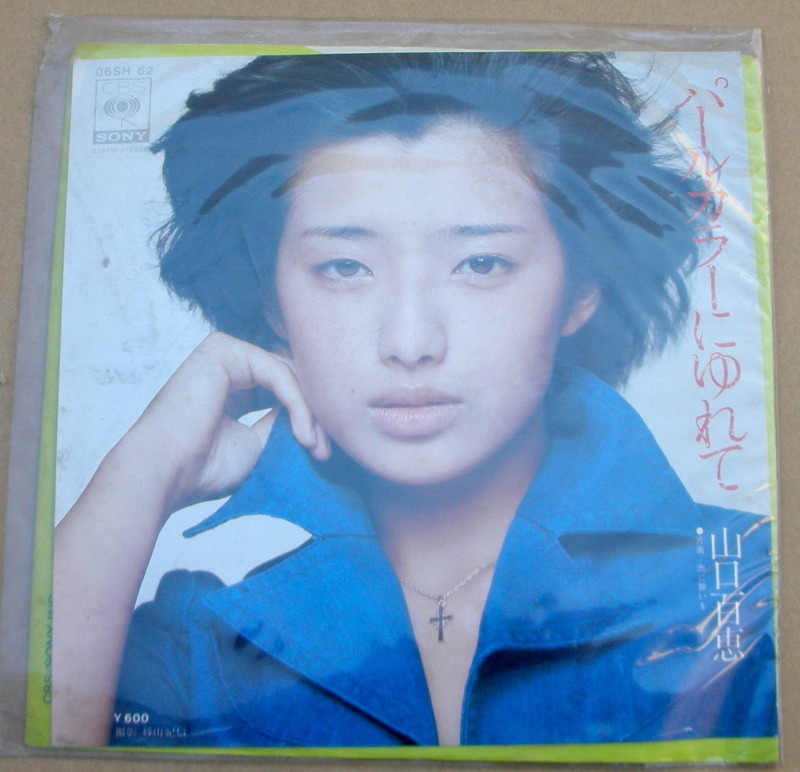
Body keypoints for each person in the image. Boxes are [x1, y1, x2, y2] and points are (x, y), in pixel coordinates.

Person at [52, 51, 777, 749]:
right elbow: (33, 737)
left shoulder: (750, 588)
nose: (409, 341)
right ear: (273, 301)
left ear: (581, 288)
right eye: (344, 267)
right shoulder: (198, 647)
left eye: (481, 263)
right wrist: (144, 470)